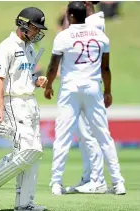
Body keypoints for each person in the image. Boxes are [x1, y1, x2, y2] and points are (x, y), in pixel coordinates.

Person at [45, 1, 126, 195]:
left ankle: (56, 183)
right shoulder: (101, 36)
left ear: (71, 16)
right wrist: (108, 91)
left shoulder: (63, 36)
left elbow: (52, 66)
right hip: (92, 88)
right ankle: (118, 182)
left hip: (70, 90)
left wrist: (48, 86)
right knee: (104, 137)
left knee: (63, 137)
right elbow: (105, 68)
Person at [0, 7, 48, 211]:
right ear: (23, 25)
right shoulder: (6, 47)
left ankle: (25, 204)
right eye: (35, 28)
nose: (37, 32)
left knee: (35, 154)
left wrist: (37, 81)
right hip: (14, 104)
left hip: (31, 104)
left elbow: (26, 78)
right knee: (28, 151)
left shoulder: (30, 48)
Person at [57, 1, 106, 195]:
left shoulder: (93, 23)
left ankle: (97, 179)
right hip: (84, 84)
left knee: (89, 135)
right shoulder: (94, 21)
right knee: (84, 136)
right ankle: (89, 177)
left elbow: (64, 39)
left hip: (85, 84)